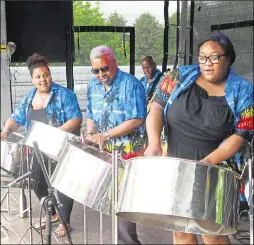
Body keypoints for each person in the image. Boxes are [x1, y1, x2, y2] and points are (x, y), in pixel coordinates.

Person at [144, 30, 253, 244]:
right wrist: (155, 142)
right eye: (202, 57)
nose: (207, 63)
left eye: (214, 57)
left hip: (215, 167)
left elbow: (242, 134)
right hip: (176, 162)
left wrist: (207, 163)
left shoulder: (243, 90)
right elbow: (156, 108)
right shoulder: (178, 76)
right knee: (181, 232)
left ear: (228, 59)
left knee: (212, 235)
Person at [0, 53, 82, 237]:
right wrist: (6, 131)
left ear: (50, 74)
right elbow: (16, 118)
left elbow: (76, 119)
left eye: (46, 75)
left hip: (61, 146)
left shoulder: (64, 95)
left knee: (63, 184)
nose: (43, 80)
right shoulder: (29, 97)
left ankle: (64, 221)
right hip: (37, 148)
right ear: (32, 80)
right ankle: (52, 213)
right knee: (36, 181)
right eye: (38, 77)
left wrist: (54, 133)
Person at [86, 46, 146, 244]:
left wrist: (106, 135)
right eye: (96, 71)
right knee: (109, 202)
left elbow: (137, 119)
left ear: (114, 63)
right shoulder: (92, 87)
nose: (101, 74)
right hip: (105, 153)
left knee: (124, 208)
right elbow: (91, 115)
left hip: (128, 153)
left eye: (105, 68)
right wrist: (90, 135)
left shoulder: (132, 85)